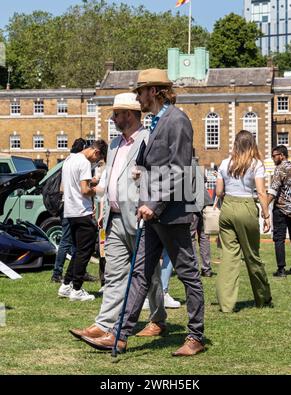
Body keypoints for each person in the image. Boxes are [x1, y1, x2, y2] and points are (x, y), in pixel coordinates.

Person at [81, 69, 205, 357]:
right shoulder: (156, 122)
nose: (138, 97)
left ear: (154, 91)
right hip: (151, 215)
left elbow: (180, 169)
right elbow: (151, 166)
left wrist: (154, 203)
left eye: (140, 92)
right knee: (139, 275)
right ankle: (120, 336)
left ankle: (195, 336)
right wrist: (141, 183)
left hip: (173, 214)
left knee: (188, 275)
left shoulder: (178, 120)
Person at [69, 92, 166, 340]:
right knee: (114, 274)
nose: (112, 118)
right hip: (113, 218)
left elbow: (157, 177)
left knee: (149, 272)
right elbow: (109, 179)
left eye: (117, 113)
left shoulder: (148, 139)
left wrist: (143, 183)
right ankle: (104, 323)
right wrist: (102, 207)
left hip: (139, 217)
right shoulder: (113, 145)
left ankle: (157, 319)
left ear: (130, 115)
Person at [215, 130, 272, 313]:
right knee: (252, 255)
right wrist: (266, 215)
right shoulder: (256, 164)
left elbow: (218, 192)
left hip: (228, 207)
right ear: (252, 144)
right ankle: (263, 298)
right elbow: (262, 192)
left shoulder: (224, 163)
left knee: (229, 257)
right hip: (246, 205)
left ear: (235, 144)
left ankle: (226, 304)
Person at [57, 139, 107, 301]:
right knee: (84, 252)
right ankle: (77, 289)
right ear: (96, 152)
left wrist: (90, 182)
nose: (95, 162)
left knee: (78, 250)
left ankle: (66, 285)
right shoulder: (84, 163)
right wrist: (98, 190)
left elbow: (63, 188)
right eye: (97, 160)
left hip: (70, 211)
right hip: (82, 211)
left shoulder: (69, 159)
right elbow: (85, 190)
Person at [51, 138, 97, 283]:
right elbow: (82, 190)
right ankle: (58, 273)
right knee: (71, 243)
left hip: (67, 207)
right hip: (74, 208)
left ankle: (72, 274)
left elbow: (62, 188)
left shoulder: (67, 162)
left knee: (74, 244)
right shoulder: (81, 163)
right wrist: (91, 187)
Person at [268, 145, 291, 277]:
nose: (273, 158)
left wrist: (265, 206)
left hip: (281, 209)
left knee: (279, 239)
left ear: (282, 155)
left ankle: (281, 270)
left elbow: (273, 190)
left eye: (274, 155)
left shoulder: (279, 169)